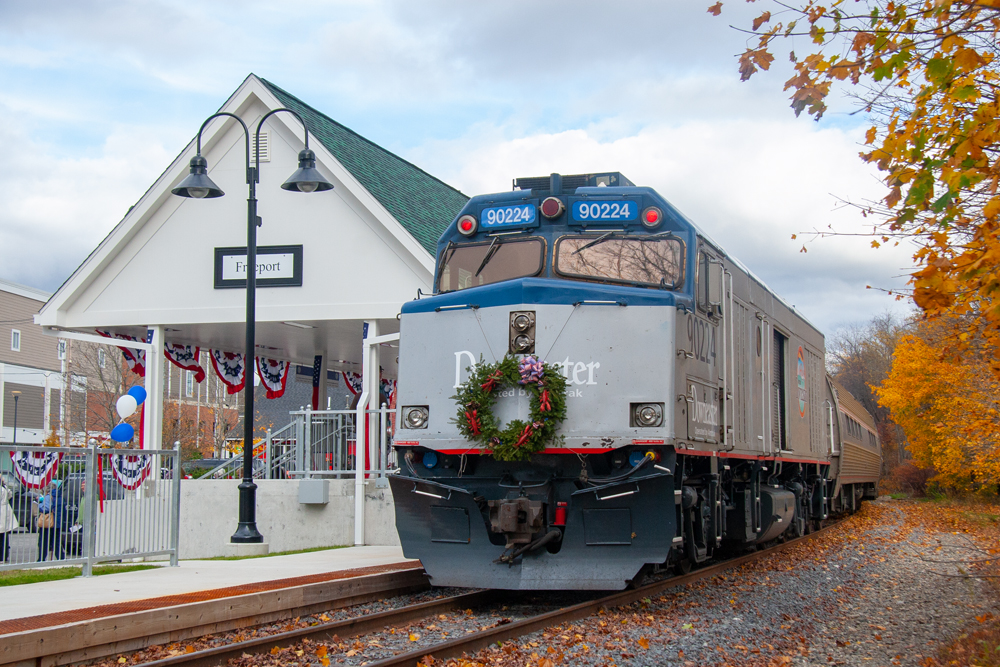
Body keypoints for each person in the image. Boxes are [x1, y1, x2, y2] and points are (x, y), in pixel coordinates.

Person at [36, 480, 65, 561]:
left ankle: (41, 558)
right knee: (56, 542)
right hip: (57, 523)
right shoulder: (60, 497)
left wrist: (40, 506)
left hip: (48, 522)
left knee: (43, 542)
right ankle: (61, 558)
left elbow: (46, 508)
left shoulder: (48, 497)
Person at [0, 478, 19, 562]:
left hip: (2, 511)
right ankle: (4, 555)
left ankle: (1, 556)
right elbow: (10, 495)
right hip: (5, 510)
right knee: (5, 535)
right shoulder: (5, 488)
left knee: (1, 536)